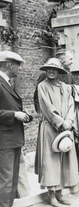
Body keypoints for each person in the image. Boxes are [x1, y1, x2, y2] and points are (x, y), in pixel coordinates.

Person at [35, 58, 78, 206]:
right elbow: (46, 107)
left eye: (54, 69)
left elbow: (72, 106)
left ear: (60, 71)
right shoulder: (42, 86)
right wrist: (60, 122)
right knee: (50, 161)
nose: (51, 71)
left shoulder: (66, 87)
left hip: (65, 128)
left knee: (64, 160)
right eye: (48, 69)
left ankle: (60, 193)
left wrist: (69, 121)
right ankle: (51, 195)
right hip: (50, 128)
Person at [0, 51, 31, 207]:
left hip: (13, 139)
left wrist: (23, 115)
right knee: (5, 180)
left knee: (12, 180)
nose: (19, 69)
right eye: (18, 65)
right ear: (9, 65)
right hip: (4, 140)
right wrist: (14, 115)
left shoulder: (6, 82)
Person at [34, 48, 74, 113]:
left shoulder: (69, 77)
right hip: (48, 113)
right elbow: (38, 97)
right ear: (62, 60)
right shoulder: (44, 76)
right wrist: (40, 112)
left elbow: (71, 97)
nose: (72, 62)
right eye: (70, 59)